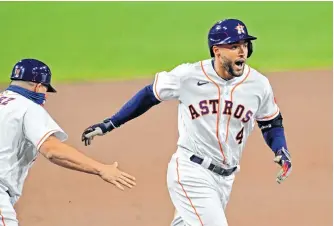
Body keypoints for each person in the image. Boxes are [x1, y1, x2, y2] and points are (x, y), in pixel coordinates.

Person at [81, 18, 292, 226]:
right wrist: (111, 123)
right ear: (217, 50)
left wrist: (280, 148)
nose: (242, 51)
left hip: (226, 179)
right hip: (191, 172)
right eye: (234, 46)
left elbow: (271, 122)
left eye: (245, 45)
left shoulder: (258, 84)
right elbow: (150, 95)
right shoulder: (188, 76)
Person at [0, 59, 136, 226]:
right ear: (37, 86)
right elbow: (52, 149)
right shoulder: (28, 107)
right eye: (45, 89)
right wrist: (101, 168)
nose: (45, 95)